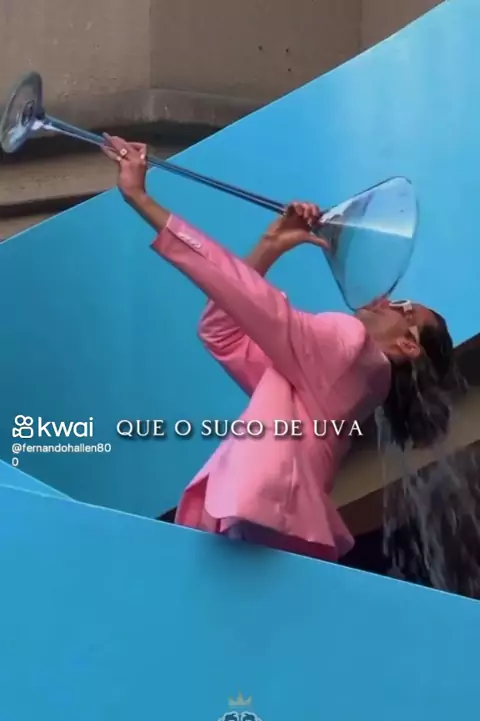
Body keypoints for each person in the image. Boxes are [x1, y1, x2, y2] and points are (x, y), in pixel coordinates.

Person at [101, 135, 455, 563]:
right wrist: (270, 245)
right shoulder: (343, 380)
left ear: (407, 345)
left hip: (258, 519)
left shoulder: (351, 346)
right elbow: (221, 332)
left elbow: (252, 301)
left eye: (404, 307)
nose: (385, 299)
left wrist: (142, 200)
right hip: (267, 522)